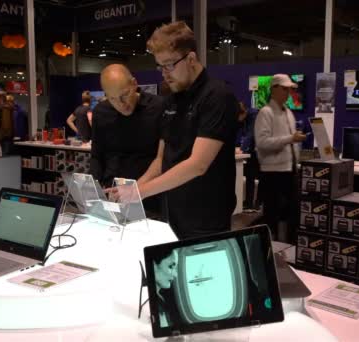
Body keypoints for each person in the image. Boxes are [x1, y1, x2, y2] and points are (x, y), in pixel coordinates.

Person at [138, 21, 239, 239]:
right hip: (172, 213)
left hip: (206, 218)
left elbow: (198, 165)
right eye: (160, 66)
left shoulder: (217, 96)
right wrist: (135, 188)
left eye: (169, 65)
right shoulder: (170, 101)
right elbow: (161, 160)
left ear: (191, 59)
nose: (164, 73)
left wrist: (140, 192)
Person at [89, 64, 164, 216]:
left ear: (134, 84)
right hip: (113, 195)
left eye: (124, 95)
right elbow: (97, 154)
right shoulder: (101, 112)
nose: (121, 104)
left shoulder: (159, 107)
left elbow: (162, 158)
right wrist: (95, 190)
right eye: (112, 99)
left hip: (150, 196)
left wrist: (135, 190)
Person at [254, 74, 307, 241]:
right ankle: (271, 252)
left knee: (291, 214)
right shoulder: (265, 113)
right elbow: (262, 143)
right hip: (272, 173)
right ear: (274, 89)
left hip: (289, 171)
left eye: (289, 89)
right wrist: (291, 139)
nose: (288, 92)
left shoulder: (289, 113)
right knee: (272, 216)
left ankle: (288, 250)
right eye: (284, 89)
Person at [235, 102, 261, 211]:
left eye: (238, 117)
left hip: (263, 149)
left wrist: (242, 149)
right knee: (250, 174)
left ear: (244, 113)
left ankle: (258, 203)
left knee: (261, 176)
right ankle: (249, 202)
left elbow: (251, 134)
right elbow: (237, 132)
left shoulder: (255, 115)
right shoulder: (244, 117)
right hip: (252, 149)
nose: (237, 119)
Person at [153, 249, 179, 328]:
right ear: (154, 266)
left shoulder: (160, 299)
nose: (175, 275)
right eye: (171, 266)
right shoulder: (156, 304)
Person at [0, 91, 15, 155]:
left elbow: (6, 125)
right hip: (6, 138)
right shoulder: (5, 108)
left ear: (0, 98)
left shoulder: (5, 109)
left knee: (6, 159)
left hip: (5, 138)